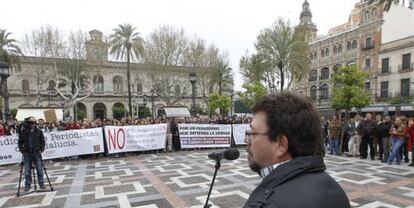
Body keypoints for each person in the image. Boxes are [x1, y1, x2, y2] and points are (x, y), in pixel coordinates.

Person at [244, 92, 350, 208]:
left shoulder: (265, 204)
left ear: (281, 144)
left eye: (252, 133)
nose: (247, 140)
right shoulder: (336, 190)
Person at [17, 117, 46, 192]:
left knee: (39, 169)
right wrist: (22, 150)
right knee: (27, 171)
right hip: (27, 153)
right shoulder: (24, 131)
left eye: (33, 123)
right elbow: (20, 142)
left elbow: (43, 141)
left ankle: (41, 183)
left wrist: (41, 150)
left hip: (36, 153)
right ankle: (27, 185)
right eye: (30, 123)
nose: (31, 124)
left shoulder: (38, 131)